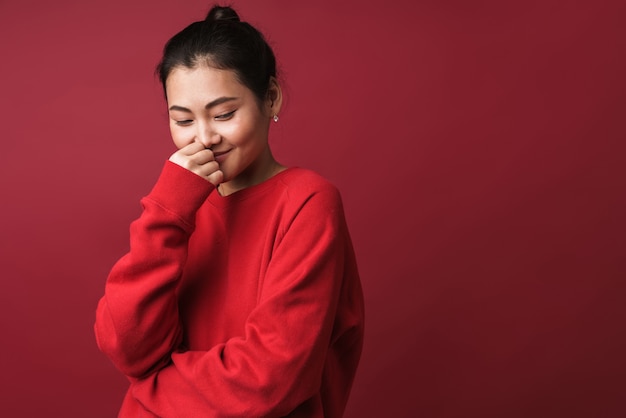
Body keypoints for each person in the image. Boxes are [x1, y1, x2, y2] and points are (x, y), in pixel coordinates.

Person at [94, 4, 364, 417]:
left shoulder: (307, 201)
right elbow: (128, 346)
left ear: (270, 97)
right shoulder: (180, 205)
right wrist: (167, 211)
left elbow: (269, 379)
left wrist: (148, 391)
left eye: (223, 114)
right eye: (182, 120)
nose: (204, 137)